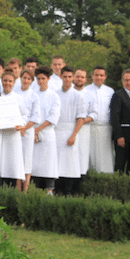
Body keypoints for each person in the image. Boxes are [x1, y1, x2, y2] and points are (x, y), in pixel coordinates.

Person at [55, 66, 87, 195]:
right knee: (57, 163)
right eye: (65, 76)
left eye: (70, 77)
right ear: (60, 77)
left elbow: (81, 117)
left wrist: (73, 135)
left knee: (70, 163)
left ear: (73, 77)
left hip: (70, 131)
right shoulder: (55, 94)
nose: (67, 79)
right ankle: (57, 191)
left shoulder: (78, 96)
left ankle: (69, 192)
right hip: (57, 132)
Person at [32, 67, 60, 194]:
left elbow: (53, 117)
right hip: (33, 134)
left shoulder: (54, 96)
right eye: (38, 79)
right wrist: (33, 130)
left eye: (43, 78)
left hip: (47, 133)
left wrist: (38, 129)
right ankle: (35, 189)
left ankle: (49, 190)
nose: (40, 81)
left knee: (48, 164)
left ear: (48, 79)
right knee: (34, 164)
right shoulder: (33, 94)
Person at [110, 68, 130, 175]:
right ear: (122, 81)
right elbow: (114, 117)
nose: (129, 82)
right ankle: (118, 187)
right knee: (120, 164)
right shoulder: (118, 95)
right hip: (123, 136)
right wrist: (119, 136)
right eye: (126, 80)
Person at [85, 66, 114, 173]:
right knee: (90, 153)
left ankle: (105, 175)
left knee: (105, 154)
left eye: (101, 75)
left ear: (105, 77)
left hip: (105, 128)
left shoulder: (110, 91)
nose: (98, 77)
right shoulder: (86, 90)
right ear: (92, 76)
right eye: (96, 75)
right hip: (90, 126)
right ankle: (90, 175)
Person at [16, 69, 41, 191]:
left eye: (28, 79)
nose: (26, 80)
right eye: (24, 77)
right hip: (15, 131)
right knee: (17, 158)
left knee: (26, 160)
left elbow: (35, 117)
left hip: (27, 132)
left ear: (32, 81)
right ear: (21, 77)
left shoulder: (34, 96)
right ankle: (17, 187)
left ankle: (25, 189)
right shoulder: (15, 93)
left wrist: (24, 129)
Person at [0, 69, 25, 190]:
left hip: (13, 135)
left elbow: (25, 115)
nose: (7, 83)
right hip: (0, 135)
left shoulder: (18, 98)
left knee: (12, 163)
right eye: (5, 80)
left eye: (10, 81)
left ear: (14, 82)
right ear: (1, 81)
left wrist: (21, 124)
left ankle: (12, 189)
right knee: (0, 162)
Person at [73, 68, 95, 177]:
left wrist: (81, 121)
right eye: (77, 76)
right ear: (73, 77)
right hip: (69, 127)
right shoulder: (67, 92)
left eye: (82, 77)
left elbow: (94, 113)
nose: (79, 79)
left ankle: (79, 182)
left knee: (82, 154)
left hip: (84, 130)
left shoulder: (89, 94)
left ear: (86, 79)